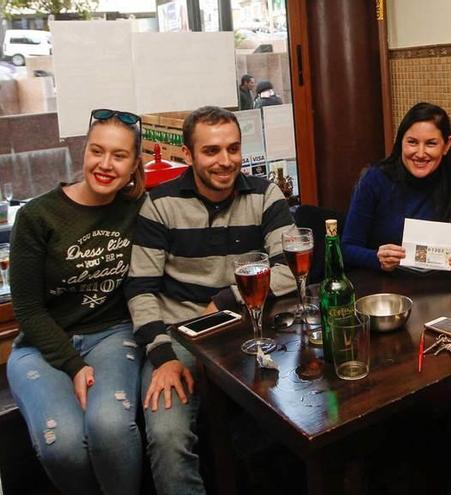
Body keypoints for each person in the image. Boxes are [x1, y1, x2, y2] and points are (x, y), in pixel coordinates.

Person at [125, 106, 296, 495]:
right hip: (180, 337)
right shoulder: (160, 205)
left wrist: (223, 300)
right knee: (167, 436)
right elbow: (140, 290)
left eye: (233, 149)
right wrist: (163, 356)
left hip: (248, 328)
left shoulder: (265, 194)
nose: (225, 161)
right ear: (188, 155)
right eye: (212, 151)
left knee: (299, 415)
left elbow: (288, 270)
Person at [7, 108, 146, 495]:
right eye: (95, 151)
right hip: (42, 347)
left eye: (119, 156)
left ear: (135, 163)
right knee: (63, 444)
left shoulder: (139, 209)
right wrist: (72, 365)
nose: (104, 164)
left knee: (111, 427)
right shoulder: (38, 216)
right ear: (82, 152)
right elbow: (28, 311)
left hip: (113, 335)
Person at [342, 102, 451, 276]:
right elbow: (346, 249)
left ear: (446, 145)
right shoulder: (375, 179)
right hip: (385, 290)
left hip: (440, 288)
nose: (421, 153)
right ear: (401, 142)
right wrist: (377, 258)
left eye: (431, 144)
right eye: (412, 142)